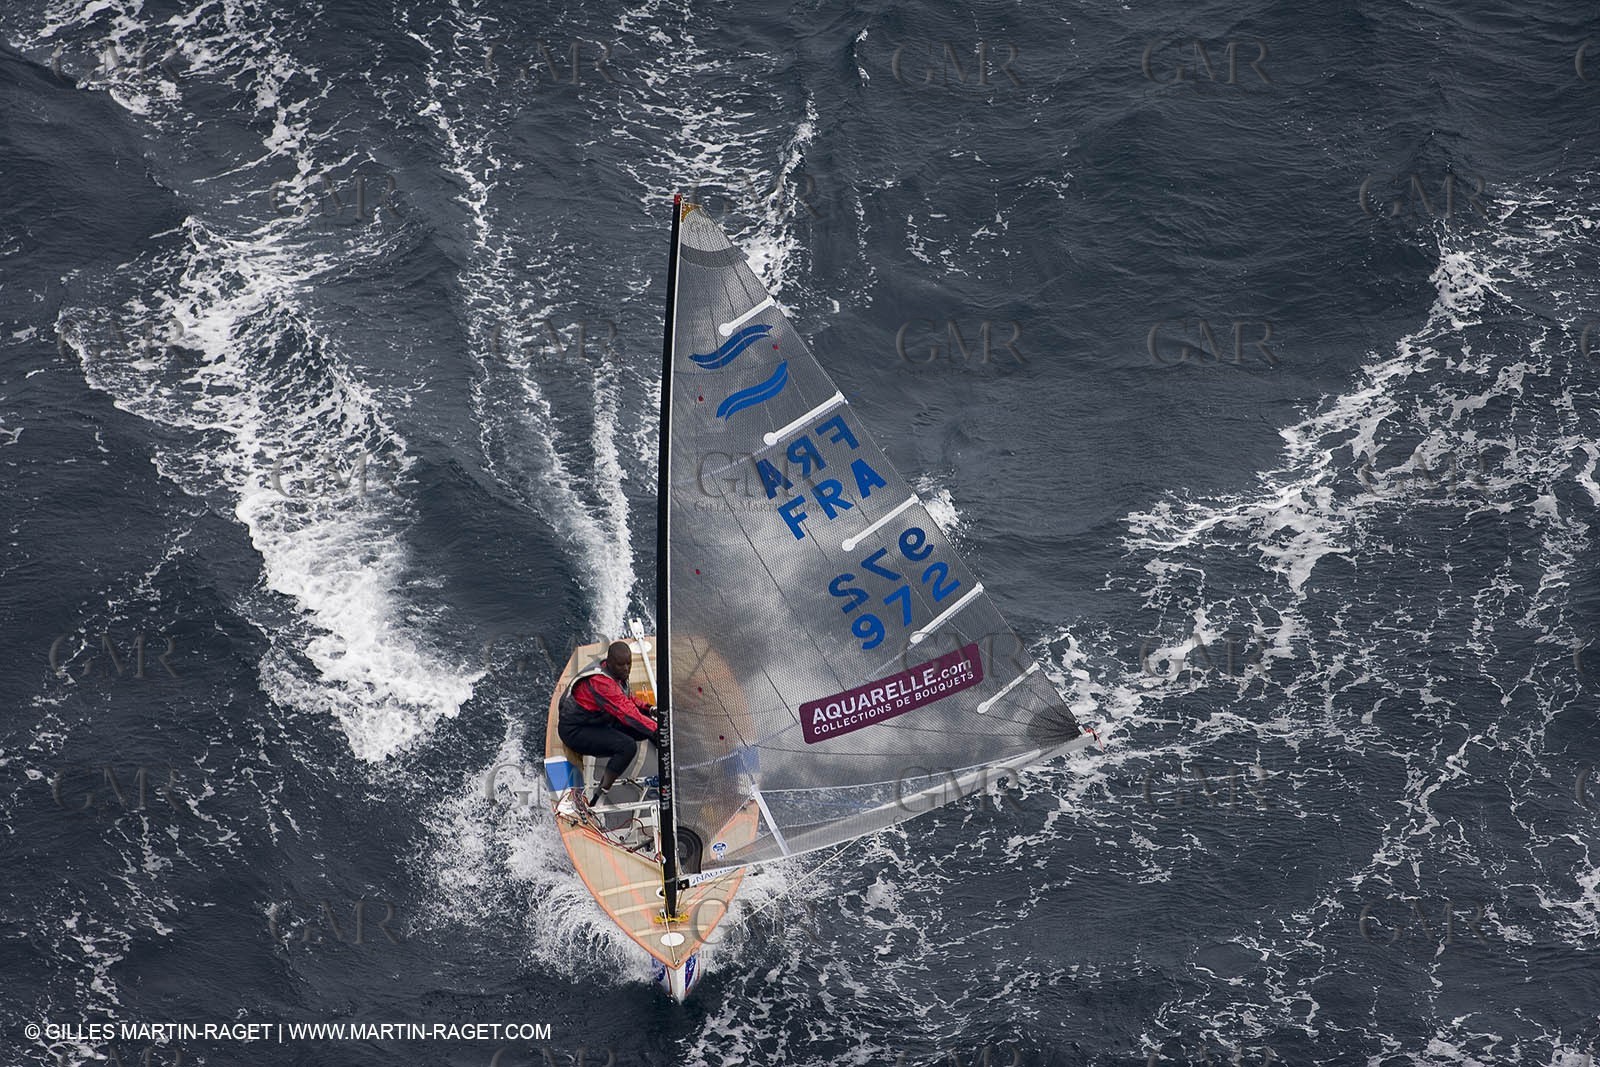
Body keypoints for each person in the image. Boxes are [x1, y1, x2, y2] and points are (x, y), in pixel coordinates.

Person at [556, 641, 659, 814]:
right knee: (627, 746)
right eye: (621, 665)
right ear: (609, 662)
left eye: (629, 664)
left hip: (598, 721)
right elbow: (627, 714)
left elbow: (627, 699)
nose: (626, 668)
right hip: (575, 731)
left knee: (645, 725)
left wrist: (649, 709)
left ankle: (666, 764)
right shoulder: (601, 683)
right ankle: (600, 794)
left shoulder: (615, 674)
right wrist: (657, 730)